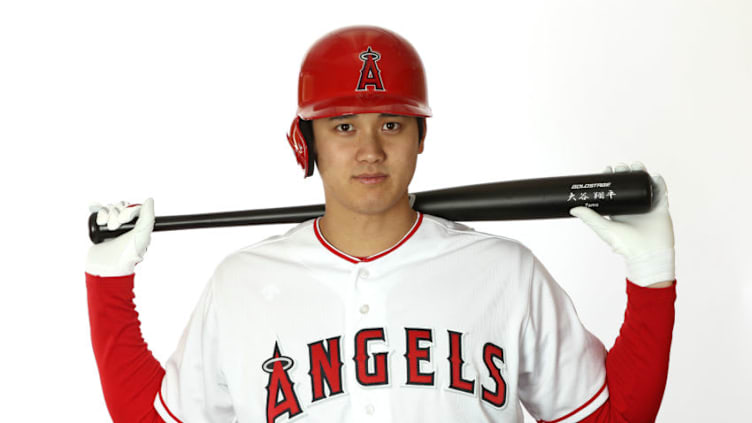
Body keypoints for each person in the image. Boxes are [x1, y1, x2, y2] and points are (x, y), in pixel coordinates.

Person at [86, 26, 677, 423]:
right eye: (343, 126)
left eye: (391, 124)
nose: (369, 150)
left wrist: (651, 279)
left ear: (421, 137)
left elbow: (609, 416)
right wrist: (108, 288)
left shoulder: (504, 271)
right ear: (306, 142)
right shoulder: (242, 282)